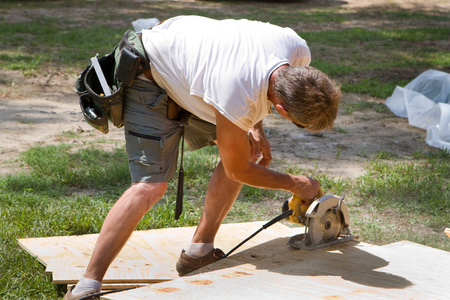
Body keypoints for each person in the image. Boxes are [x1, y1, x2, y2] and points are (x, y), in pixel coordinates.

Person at [64, 15, 341, 299]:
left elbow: (259, 81)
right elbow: (237, 170)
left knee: (247, 148)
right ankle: (87, 286)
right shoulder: (235, 89)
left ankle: (199, 252)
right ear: (282, 109)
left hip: (190, 67)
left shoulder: (297, 50)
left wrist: (254, 126)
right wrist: (295, 183)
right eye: (296, 121)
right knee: (151, 185)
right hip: (147, 74)